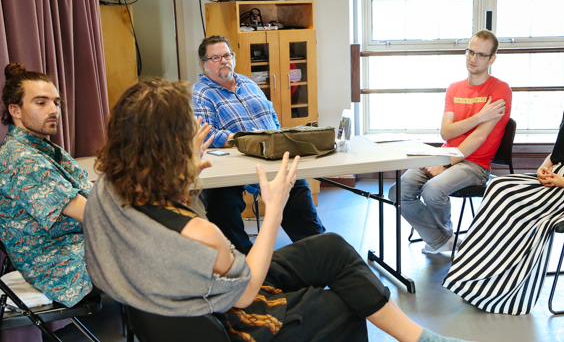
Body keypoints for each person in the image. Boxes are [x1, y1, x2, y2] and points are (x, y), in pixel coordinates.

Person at [83, 78, 471, 342]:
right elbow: (245, 292)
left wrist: (183, 172)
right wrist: (273, 211)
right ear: (169, 146)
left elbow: (157, 227)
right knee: (341, 305)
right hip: (226, 321)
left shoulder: (106, 192)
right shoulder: (199, 235)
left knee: (331, 247)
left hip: (178, 300)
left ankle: (418, 337)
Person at [443, 40, 564, 315]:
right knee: (498, 186)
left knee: (511, 199)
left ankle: (503, 292)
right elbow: (558, 153)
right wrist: (545, 168)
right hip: (560, 180)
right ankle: (478, 281)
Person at [192, 35, 324, 254]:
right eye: (215, 58)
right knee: (220, 201)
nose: (223, 61)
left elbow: (272, 116)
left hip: (272, 154)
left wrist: (276, 141)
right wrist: (245, 141)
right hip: (235, 162)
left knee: (297, 195)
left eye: (226, 55)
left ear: (232, 58)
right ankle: (245, 263)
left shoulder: (247, 82)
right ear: (204, 64)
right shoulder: (201, 92)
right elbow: (206, 134)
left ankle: (321, 254)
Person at [390, 30, 512, 254]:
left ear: (492, 59)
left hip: (475, 164)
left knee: (432, 190)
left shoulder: (499, 90)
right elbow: (446, 132)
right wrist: (478, 117)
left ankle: (440, 239)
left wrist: (445, 165)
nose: (473, 59)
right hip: (446, 153)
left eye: (481, 55)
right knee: (397, 192)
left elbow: (479, 136)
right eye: (470, 52)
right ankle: (443, 239)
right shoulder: (454, 88)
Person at [0, 63, 93, 307]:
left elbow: (93, 196)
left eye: (56, 102)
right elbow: (93, 213)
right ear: (15, 110)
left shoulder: (42, 147)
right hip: (57, 263)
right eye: (41, 103)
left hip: (78, 244)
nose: (54, 110)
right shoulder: (20, 158)